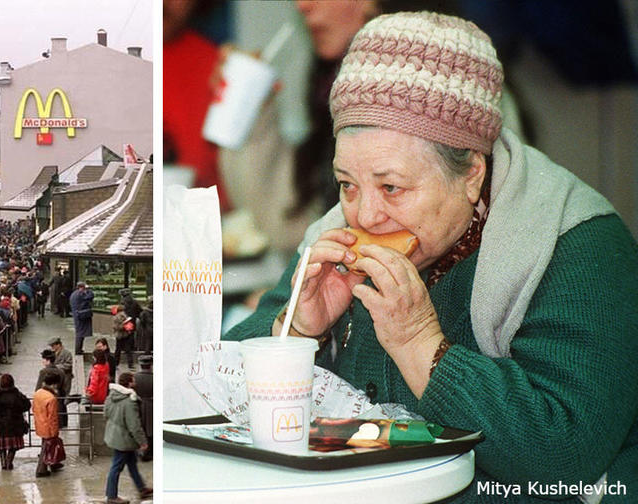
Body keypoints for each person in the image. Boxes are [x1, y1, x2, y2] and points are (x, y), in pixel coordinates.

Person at [223, 11, 638, 498]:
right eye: (346, 184)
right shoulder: (338, 233)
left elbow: (565, 452)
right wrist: (296, 330)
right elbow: (225, 389)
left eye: (392, 187)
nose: (366, 215)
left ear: (471, 177)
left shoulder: (580, 247)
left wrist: (422, 346)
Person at [103, 372, 152, 504]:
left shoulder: (111, 396)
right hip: (124, 439)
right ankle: (112, 496)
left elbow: (105, 413)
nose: (135, 382)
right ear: (130, 383)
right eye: (133, 380)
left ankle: (142, 488)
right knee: (116, 467)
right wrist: (143, 441)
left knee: (132, 463)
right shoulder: (130, 401)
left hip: (114, 435)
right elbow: (134, 425)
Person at [0, 373, 30, 471]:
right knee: (13, 447)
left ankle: (3, 463)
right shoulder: (17, 394)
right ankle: (9, 462)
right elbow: (27, 405)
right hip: (15, 425)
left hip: (1, 425)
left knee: (2, 447)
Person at [33, 373, 63, 477]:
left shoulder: (38, 393)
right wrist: (55, 431)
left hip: (40, 424)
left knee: (45, 446)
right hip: (48, 427)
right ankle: (41, 470)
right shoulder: (51, 398)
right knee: (46, 448)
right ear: (54, 384)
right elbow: (53, 417)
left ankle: (52, 464)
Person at [36, 349, 67, 428]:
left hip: (46, 402)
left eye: (43, 359)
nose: (42, 361)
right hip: (58, 403)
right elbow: (64, 389)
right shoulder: (61, 372)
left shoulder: (43, 372)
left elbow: (38, 389)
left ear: (47, 360)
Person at [133, 354, 154, 461]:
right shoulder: (154, 378)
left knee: (140, 429)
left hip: (139, 405)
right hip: (151, 406)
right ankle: (149, 452)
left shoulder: (135, 377)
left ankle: (140, 451)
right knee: (151, 430)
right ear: (151, 365)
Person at [69, 282, 93, 354]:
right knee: (80, 334)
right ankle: (78, 350)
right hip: (81, 316)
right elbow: (90, 296)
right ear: (82, 287)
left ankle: (79, 349)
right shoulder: (80, 294)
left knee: (80, 333)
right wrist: (89, 290)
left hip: (78, 316)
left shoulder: (74, 294)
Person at [49, 337, 74, 402]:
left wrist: (57, 367)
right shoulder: (52, 353)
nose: (52, 347)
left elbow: (69, 365)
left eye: (53, 346)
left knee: (64, 397)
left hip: (65, 379)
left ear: (58, 345)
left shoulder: (67, 353)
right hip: (55, 379)